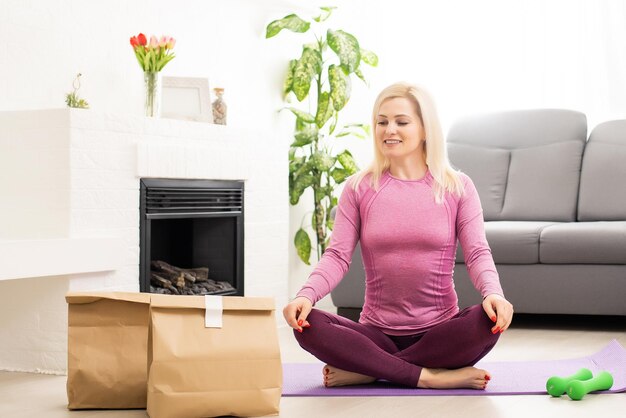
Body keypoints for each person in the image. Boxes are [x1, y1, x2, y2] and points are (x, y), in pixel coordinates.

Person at [283, 82, 514, 390]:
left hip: (439, 331)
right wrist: (305, 296)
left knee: (486, 321)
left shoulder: (456, 186)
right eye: (382, 121)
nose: (389, 129)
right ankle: (428, 376)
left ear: (425, 129)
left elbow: (477, 253)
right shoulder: (358, 187)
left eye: (401, 122)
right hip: (376, 332)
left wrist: (494, 294)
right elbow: (337, 256)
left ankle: (372, 368)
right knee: (308, 326)